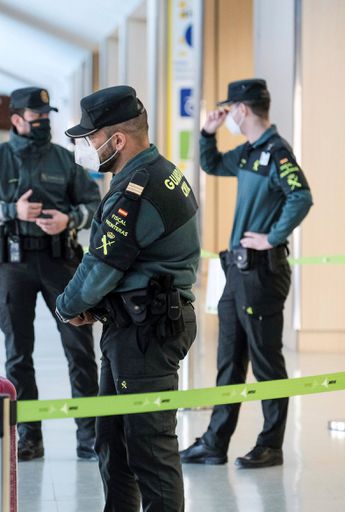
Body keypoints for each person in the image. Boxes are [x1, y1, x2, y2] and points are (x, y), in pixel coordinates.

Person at [55, 85, 200, 511]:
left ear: (116, 140)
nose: (87, 147)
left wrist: (68, 306)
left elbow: (102, 264)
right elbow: (138, 262)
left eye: (91, 139)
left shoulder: (135, 191)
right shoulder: (160, 171)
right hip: (132, 324)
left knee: (148, 449)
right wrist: (97, 307)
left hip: (146, 334)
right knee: (114, 443)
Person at [0, 87, 102, 461]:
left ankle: (90, 437)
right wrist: (10, 211)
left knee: (80, 350)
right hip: (13, 264)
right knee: (18, 355)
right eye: (36, 117)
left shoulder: (64, 159)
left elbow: (93, 202)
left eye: (46, 116)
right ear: (17, 120)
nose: (43, 122)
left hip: (62, 263)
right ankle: (29, 437)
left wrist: (70, 219)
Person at [180, 79, 313, 469]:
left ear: (241, 110)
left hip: (261, 274)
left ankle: (271, 445)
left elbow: (301, 195)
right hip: (236, 272)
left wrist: (272, 237)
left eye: (231, 110)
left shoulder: (276, 153)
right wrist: (207, 133)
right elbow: (211, 164)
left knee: (267, 362)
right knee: (229, 360)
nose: (230, 117)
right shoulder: (250, 152)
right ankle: (214, 442)